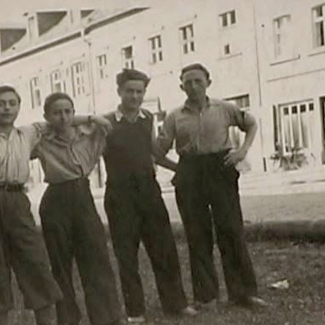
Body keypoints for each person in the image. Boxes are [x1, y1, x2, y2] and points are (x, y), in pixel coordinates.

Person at [156, 63, 267, 309]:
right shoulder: (174, 116)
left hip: (221, 168)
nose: (193, 86)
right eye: (188, 82)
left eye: (198, 80)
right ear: (181, 86)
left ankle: (243, 293)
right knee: (197, 234)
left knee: (231, 230)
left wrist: (242, 151)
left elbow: (250, 124)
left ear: (208, 81)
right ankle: (206, 296)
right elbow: (157, 152)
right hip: (190, 172)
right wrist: (180, 169)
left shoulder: (224, 108)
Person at [102, 69, 197, 324]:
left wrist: (179, 167)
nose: (134, 96)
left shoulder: (147, 118)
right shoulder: (106, 122)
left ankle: (176, 303)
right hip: (120, 195)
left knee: (164, 247)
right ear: (119, 91)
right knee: (126, 254)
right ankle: (135, 311)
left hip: (148, 190)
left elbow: (153, 152)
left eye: (139, 91)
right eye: (129, 91)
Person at [32, 92, 121, 325]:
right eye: (56, 113)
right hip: (55, 201)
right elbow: (28, 130)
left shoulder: (89, 134)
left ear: (74, 112)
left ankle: (106, 318)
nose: (63, 117)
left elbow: (107, 123)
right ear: (47, 116)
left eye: (67, 111)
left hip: (83, 197)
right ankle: (68, 319)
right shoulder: (41, 140)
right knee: (60, 265)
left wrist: (89, 118)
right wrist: (87, 116)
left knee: (96, 259)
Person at [0, 85, 62, 325]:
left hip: (16, 199)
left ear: (18, 107)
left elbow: (60, 118)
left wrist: (91, 117)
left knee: (34, 260)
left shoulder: (29, 133)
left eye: (11, 103)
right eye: (1, 103)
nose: (6, 108)